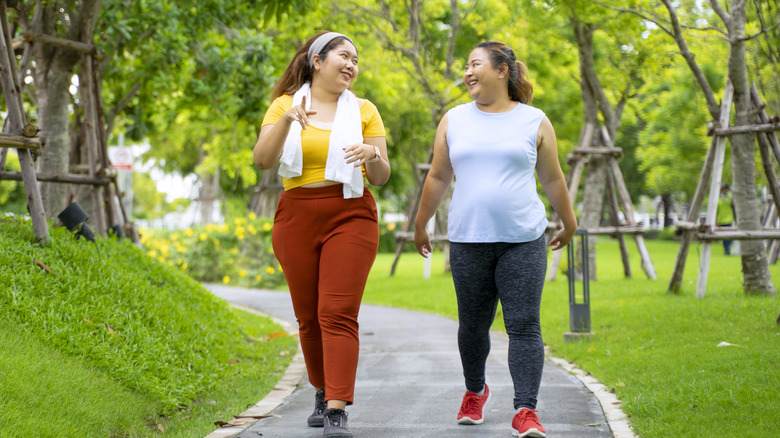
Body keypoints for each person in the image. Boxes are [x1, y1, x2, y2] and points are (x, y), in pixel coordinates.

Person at [414, 41, 577, 438]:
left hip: (523, 238)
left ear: (502, 70)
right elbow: (438, 176)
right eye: (466, 66)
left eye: (475, 64)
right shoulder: (454, 119)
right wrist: (421, 223)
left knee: (523, 324)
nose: (467, 72)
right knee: (473, 325)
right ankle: (475, 390)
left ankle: (526, 409)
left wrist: (569, 222)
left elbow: (552, 178)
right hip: (469, 239)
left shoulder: (534, 120)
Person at [253, 31, 390, 438]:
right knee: (308, 317)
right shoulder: (284, 105)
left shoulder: (364, 110)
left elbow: (382, 177)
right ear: (317, 60)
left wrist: (374, 155)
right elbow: (263, 160)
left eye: (355, 60)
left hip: (351, 213)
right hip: (296, 216)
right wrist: (287, 122)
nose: (351, 65)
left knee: (337, 312)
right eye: (343, 56)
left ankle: (336, 409)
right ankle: (321, 388)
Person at [717, 184, 735, 255]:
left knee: (730, 235)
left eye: (726, 189)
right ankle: (726, 249)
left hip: (729, 219)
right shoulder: (718, 199)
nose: (725, 190)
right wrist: (716, 220)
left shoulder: (730, 198)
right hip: (721, 219)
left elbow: (734, 207)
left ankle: (727, 249)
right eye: (724, 189)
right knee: (723, 236)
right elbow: (716, 210)